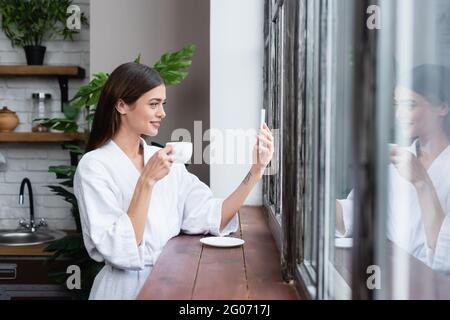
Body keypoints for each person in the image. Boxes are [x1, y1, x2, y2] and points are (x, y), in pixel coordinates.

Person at [73, 62, 274, 299]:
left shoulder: (164, 161)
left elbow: (214, 215)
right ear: (121, 105)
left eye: (163, 104)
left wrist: (256, 171)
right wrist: (146, 182)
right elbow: (118, 247)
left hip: (168, 285)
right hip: (123, 291)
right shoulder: (94, 166)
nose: (162, 113)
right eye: (153, 104)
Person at [336, 64, 450, 274]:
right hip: (391, 280)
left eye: (410, 105)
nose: (399, 115)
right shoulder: (397, 161)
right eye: (397, 104)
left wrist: (422, 182)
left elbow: (445, 255)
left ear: (443, 107)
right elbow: (351, 215)